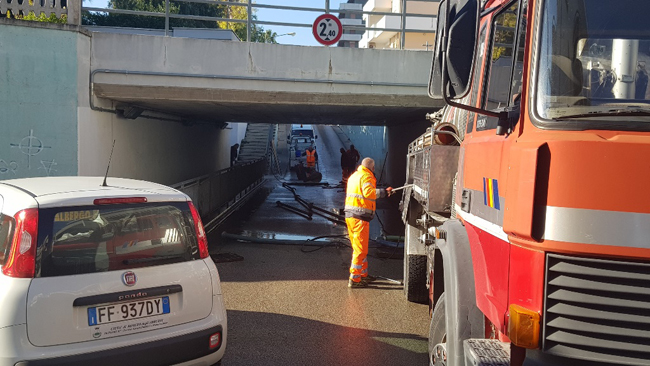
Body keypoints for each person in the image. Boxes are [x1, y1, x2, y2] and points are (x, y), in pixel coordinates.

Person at [344, 157, 393, 288]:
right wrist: (384, 192)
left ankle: (363, 275)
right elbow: (368, 193)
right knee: (360, 249)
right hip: (360, 217)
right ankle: (354, 279)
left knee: (360, 248)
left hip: (350, 216)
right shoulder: (367, 176)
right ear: (372, 167)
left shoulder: (354, 176)